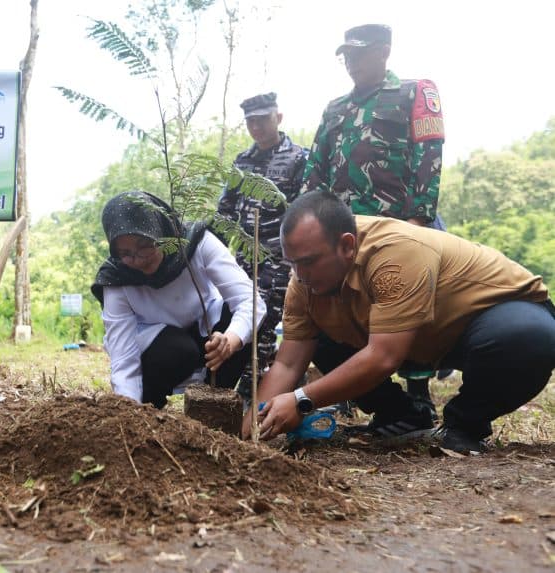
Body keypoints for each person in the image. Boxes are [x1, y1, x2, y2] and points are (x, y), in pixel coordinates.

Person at [243, 191, 555, 454]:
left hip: (492, 317)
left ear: (348, 246)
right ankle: (402, 415)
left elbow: (383, 356)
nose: (299, 275)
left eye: (308, 261)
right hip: (420, 338)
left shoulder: (395, 253)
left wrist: (301, 401)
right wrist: (251, 426)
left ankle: (463, 426)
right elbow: (287, 365)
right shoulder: (304, 283)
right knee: (320, 338)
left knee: (531, 337)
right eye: (292, 263)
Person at [301, 23, 447, 417]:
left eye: (360, 54)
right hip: (341, 231)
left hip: (398, 225)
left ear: (384, 52)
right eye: (346, 55)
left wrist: (418, 218)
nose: (351, 63)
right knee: (348, 308)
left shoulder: (414, 92)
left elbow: (429, 156)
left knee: (407, 303)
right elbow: (316, 168)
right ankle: (361, 390)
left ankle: (419, 391)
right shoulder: (334, 108)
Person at [91, 191, 266, 408]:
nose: (137, 260)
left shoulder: (196, 243)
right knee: (178, 349)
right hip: (158, 347)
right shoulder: (117, 278)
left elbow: (251, 302)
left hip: (207, 332)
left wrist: (229, 341)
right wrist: (130, 412)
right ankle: (149, 409)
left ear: (160, 232)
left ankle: (210, 407)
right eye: (126, 253)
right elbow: (124, 360)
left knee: (240, 323)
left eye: (144, 245)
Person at [217, 92, 307, 400]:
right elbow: (226, 208)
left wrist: (295, 258)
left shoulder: (298, 159)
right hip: (243, 254)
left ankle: (252, 389)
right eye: (250, 122)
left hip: (279, 257)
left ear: (278, 118)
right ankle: (238, 382)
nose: (256, 128)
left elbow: (303, 211)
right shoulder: (242, 161)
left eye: (262, 120)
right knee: (238, 313)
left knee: (266, 317)